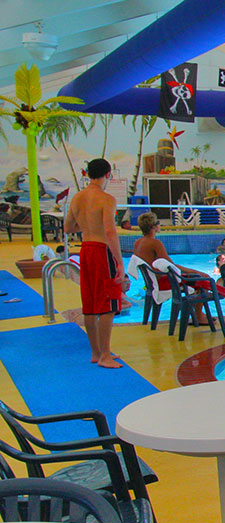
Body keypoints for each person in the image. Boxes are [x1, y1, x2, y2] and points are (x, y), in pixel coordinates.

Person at [63, 158, 125, 369]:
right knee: (108, 305)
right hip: (101, 251)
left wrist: (88, 225)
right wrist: (119, 261)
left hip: (85, 250)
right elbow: (110, 232)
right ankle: (105, 356)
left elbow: (68, 228)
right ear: (108, 174)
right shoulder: (106, 199)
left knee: (90, 304)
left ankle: (96, 353)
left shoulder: (77, 198)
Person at [132, 212, 213, 325]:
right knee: (202, 280)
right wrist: (196, 271)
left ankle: (199, 314)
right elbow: (171, 265)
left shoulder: (138, 242)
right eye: (158, 223)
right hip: (164, 282)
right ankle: (199, 316)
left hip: (152, 282)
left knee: (196, 278)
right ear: (154, 227)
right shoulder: (155, 243)